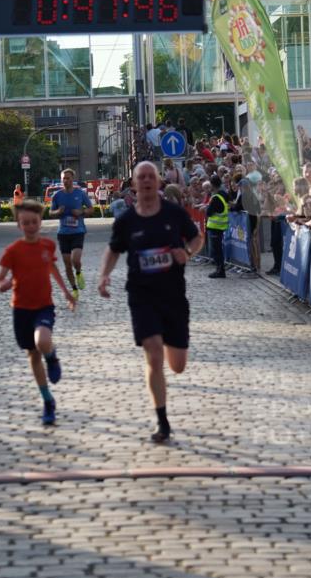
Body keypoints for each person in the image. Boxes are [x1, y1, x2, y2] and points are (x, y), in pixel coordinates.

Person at [97, 161, 203, 443]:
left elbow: (196, 238)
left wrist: (188, 253)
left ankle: (171, 347)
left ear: (157, 182)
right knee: (153, 354)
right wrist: (104, 276)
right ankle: (162, 420)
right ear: (133, 184)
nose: (145, 181)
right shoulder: (126, 221)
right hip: (141, 295)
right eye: (140, 177)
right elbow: (113, 249)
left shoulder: (174, 213)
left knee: (177, 365)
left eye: (150, 177)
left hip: (173, 296)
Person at [0, 199, 76, 425]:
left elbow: (52, 267)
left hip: (43, 306)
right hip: (21, 309)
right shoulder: (12, 251)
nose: (30, 226)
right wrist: (1, 285)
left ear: (40, 222)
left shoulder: (48, 246)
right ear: (19, 225)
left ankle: (52, 357)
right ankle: (47, 400)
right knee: (32, 354)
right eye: (25, 223)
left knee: (42, 341)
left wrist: (66, 293)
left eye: (34, 222)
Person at [50, 168, 93, 300]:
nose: (65, 180)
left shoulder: (80, 194)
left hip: (78, 231)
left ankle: (79, 273)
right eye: (63, 178)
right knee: (67, 263)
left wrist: (81, 212)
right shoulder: (56, 196)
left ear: (72, 179)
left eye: (68, 178)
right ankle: (74, 289)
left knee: (75, 260)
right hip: (63, 233)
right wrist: (58, 212)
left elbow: (91, 209)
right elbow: (51, 213)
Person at [205, 175, 229, 278]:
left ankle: (220, 271)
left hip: (215, 227)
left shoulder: (215, 198)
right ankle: (220, 269)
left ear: (212, 185)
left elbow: (209, 212)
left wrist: (206, 208)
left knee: (217, 250)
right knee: (218, 249)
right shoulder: (224, 194)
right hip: (220, 226)